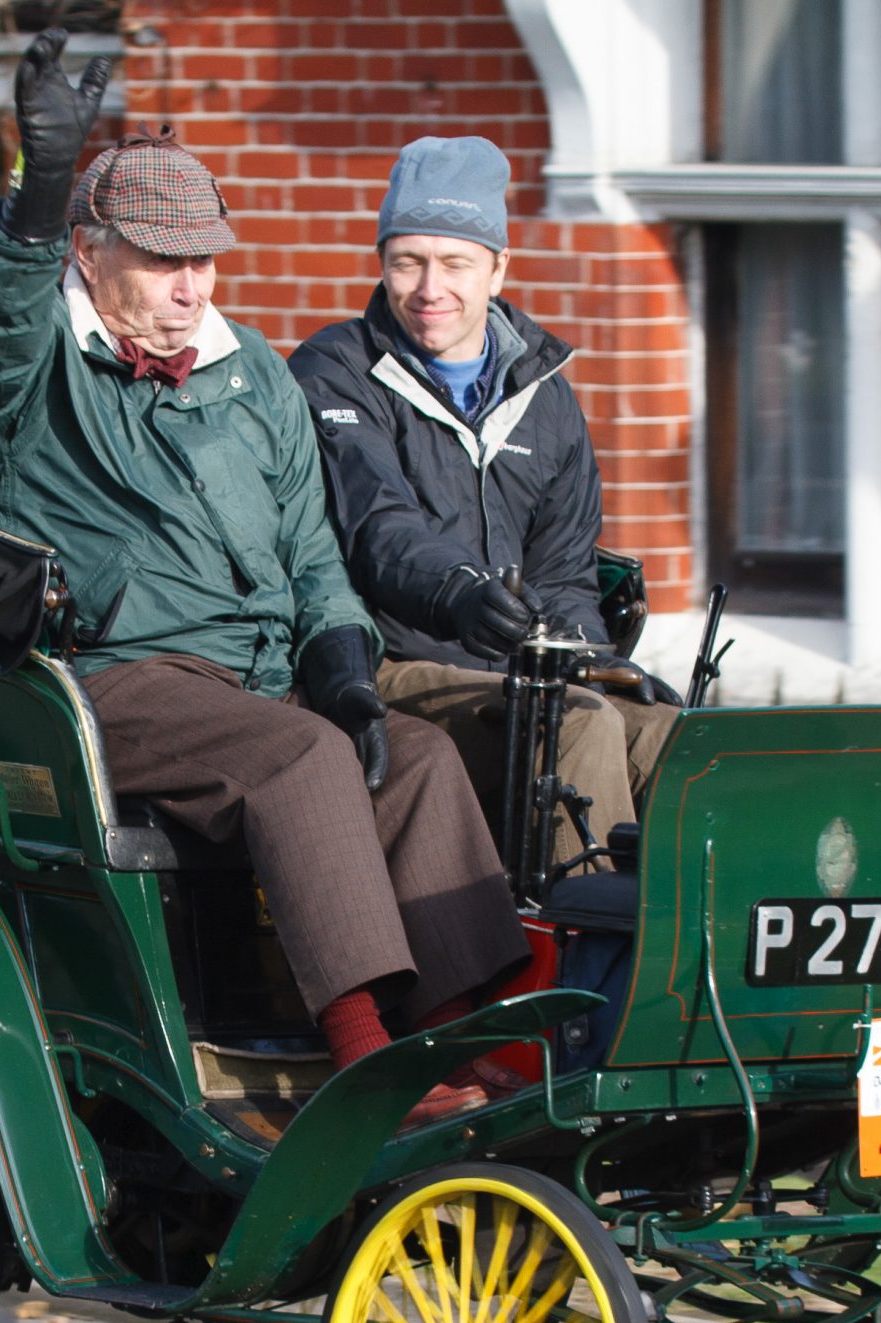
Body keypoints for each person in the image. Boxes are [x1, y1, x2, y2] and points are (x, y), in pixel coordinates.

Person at [0, 33, 528, 1121]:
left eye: (205, 260)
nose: (192, 285)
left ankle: (449, 1041)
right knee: (296, 758)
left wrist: (340, 659)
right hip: (108, 676)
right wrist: (34, 192)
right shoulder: (30, 370)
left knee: (419, 758)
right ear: (90, 256)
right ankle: (360, 1055)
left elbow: (309, 552)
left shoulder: (250, 375)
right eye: (162, 260)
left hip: (250, 679)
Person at [287, 135, 682, 871]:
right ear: (382, 264)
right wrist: (462, 594)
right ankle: (579, 955)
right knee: (574, 726)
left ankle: (698, 952)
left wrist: (592, 659)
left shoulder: (546, 396)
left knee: (672, 732)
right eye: (407, 261)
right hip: (389, 660)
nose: (429, 287)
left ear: (498, 267)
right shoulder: (335, 371)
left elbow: (564, 575)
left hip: (516, 668)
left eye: (455, 262)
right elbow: (378, 526)